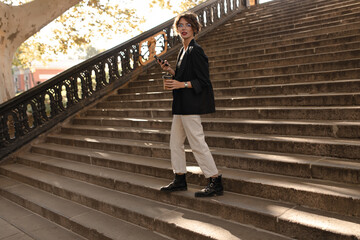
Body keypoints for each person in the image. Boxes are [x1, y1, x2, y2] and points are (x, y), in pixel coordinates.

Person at [156, 12, 223, 197]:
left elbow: (203, 81)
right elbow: (183, 77)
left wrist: (181, 84)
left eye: (187, 25)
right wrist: (170, 70)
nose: (183, 28)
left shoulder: (196, 50)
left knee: (197, 144)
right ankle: (179, 179)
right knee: (175, 143)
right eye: (180, 25)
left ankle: (215, 180)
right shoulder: (183, 51)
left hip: (190, 106)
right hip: (180, 106)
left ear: (194, 27)